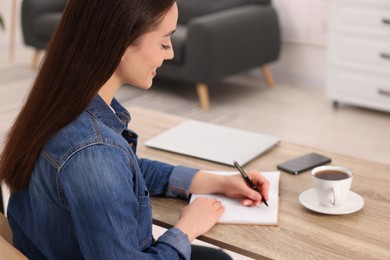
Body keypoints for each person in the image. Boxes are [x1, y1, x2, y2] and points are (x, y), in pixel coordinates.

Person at [0, 0, 270, 259]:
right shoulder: (94, 151)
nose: (171, 52)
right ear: (121, 42)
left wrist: (216, 182)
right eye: (164, 41)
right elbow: (104, 167)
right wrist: (187, 229)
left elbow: (125, 171)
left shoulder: (59, 102)